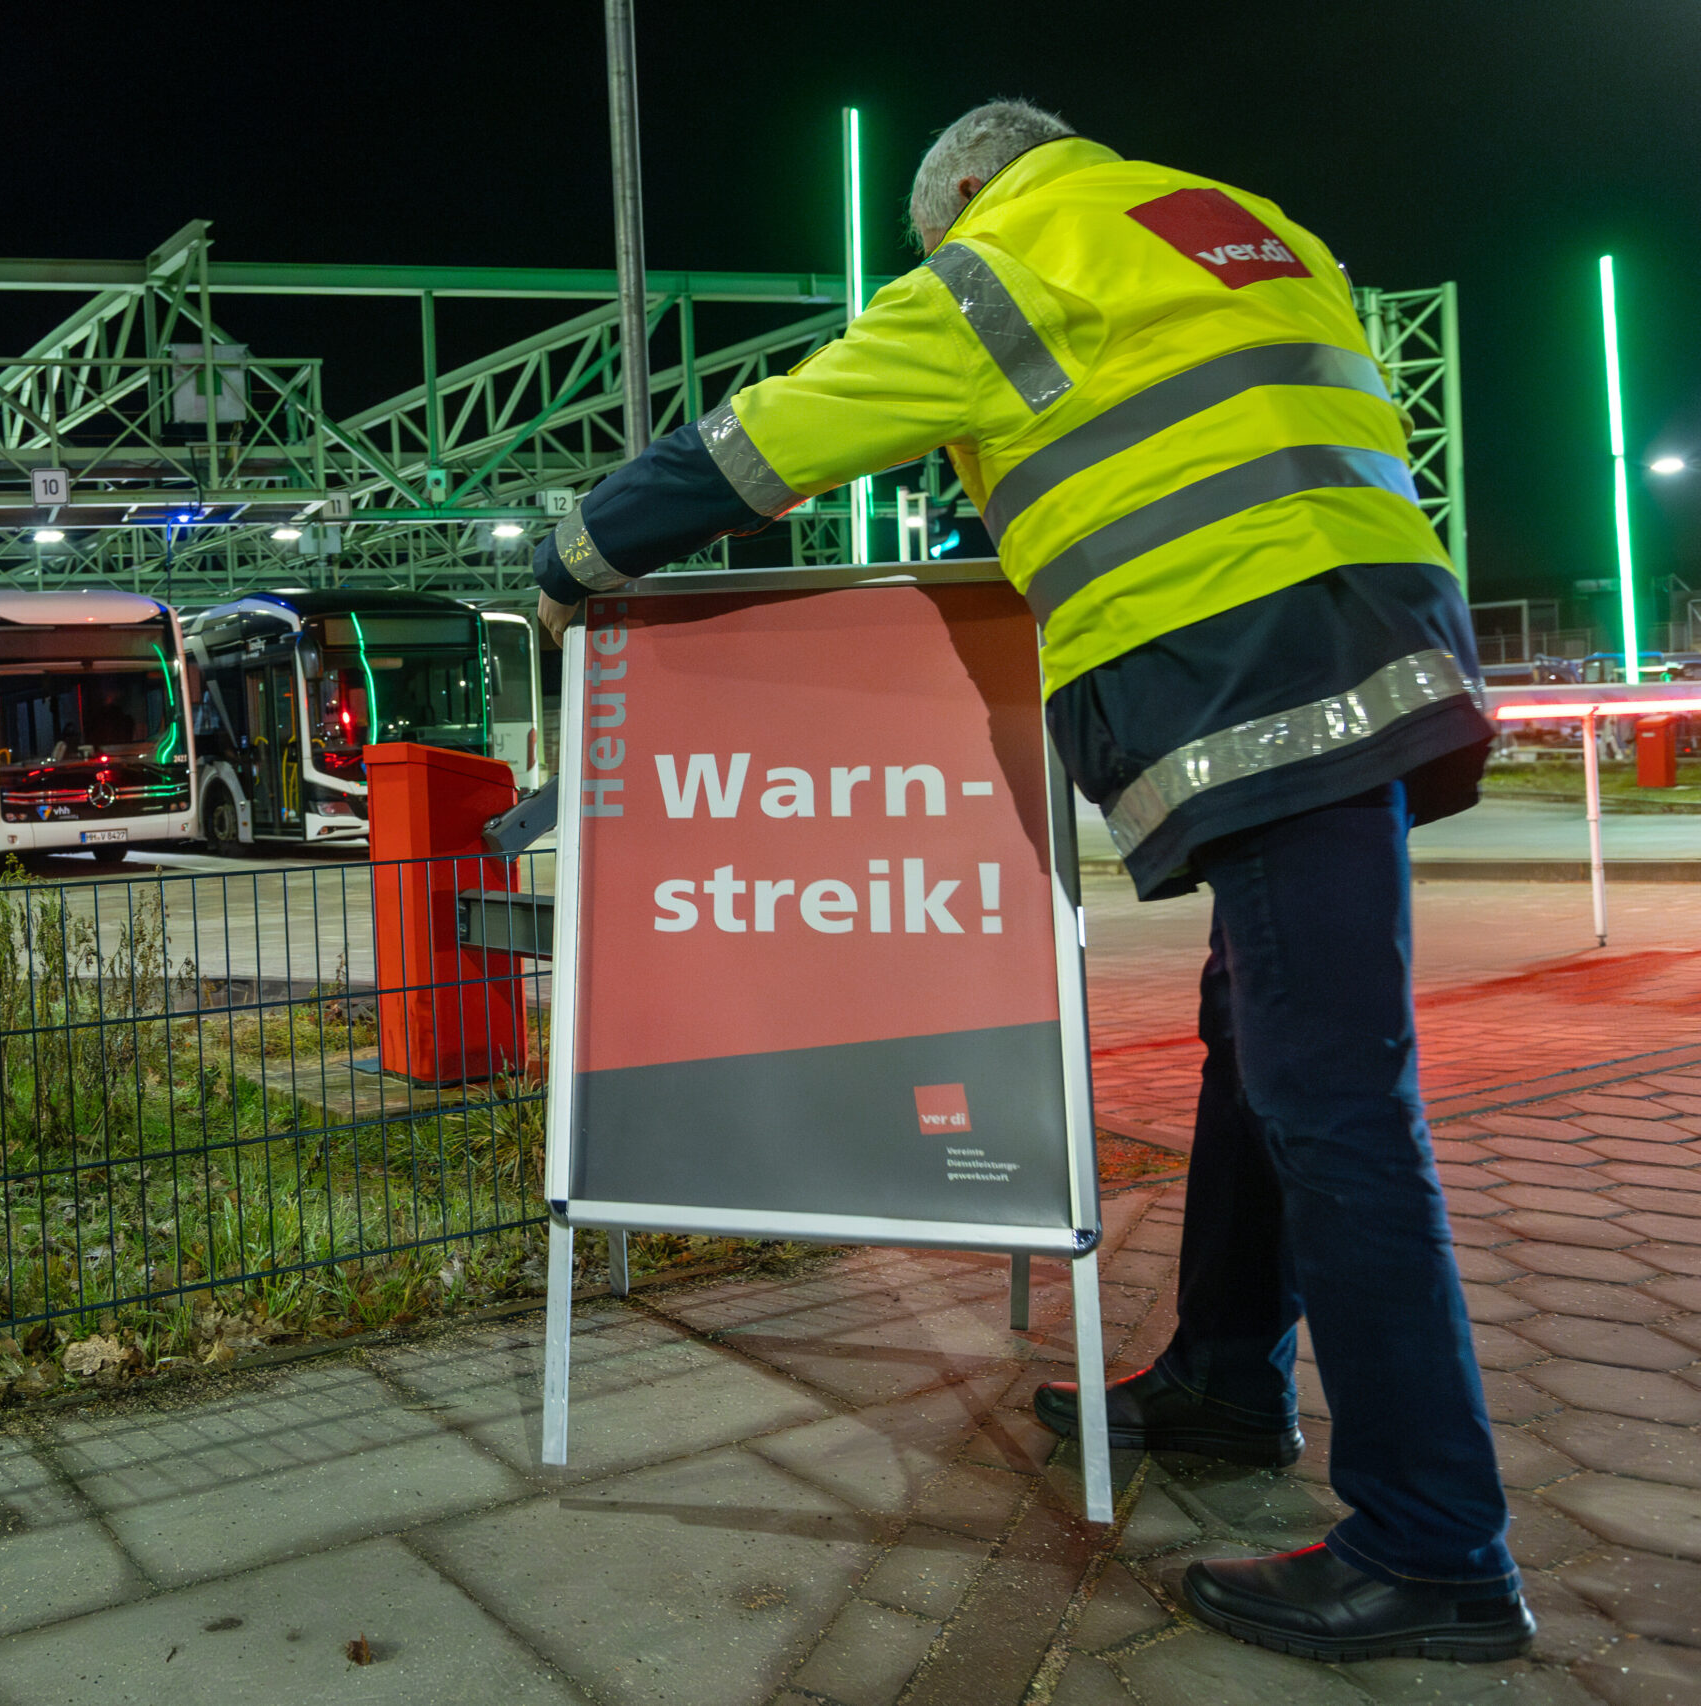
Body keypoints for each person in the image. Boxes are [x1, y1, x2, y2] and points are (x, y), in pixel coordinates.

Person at [530, 101, 1526, 1664]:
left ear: (967, 197)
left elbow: (769, 440)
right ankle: (1223, 1373)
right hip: (1383, 649)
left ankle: (1437, 1539)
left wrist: (575, 555)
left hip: (1247, 669)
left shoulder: (998, 266)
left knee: (1338, 1103)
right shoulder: (1237, 220)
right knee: (1255, 1049)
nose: (936, 264)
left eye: (932, 242)